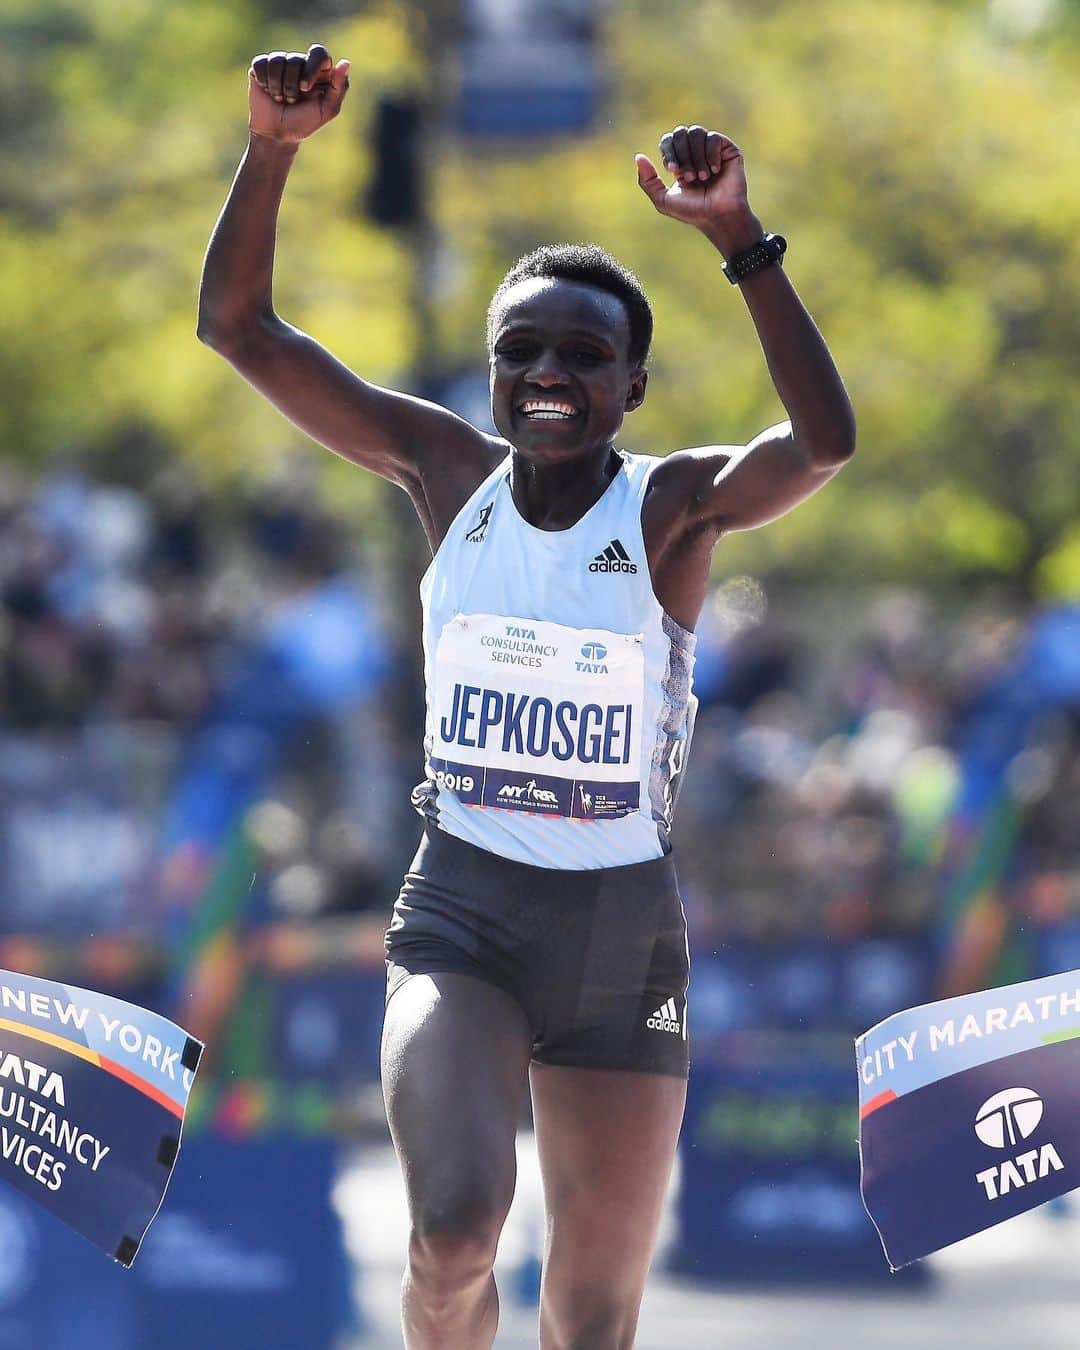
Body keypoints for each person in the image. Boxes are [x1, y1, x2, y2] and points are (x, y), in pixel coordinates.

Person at [198, 42, 856, 1350]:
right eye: (523, 352)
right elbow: (237, 329)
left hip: (625, 936)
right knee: (450, 1235)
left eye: (583, 354)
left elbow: (824, 442)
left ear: (631, 388)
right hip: (467, 914)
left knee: (592, 1317)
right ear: (494, 377)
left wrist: (738, 238)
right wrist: (272, 149)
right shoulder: (448, 475)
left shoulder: (671, 509)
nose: (549, 372)